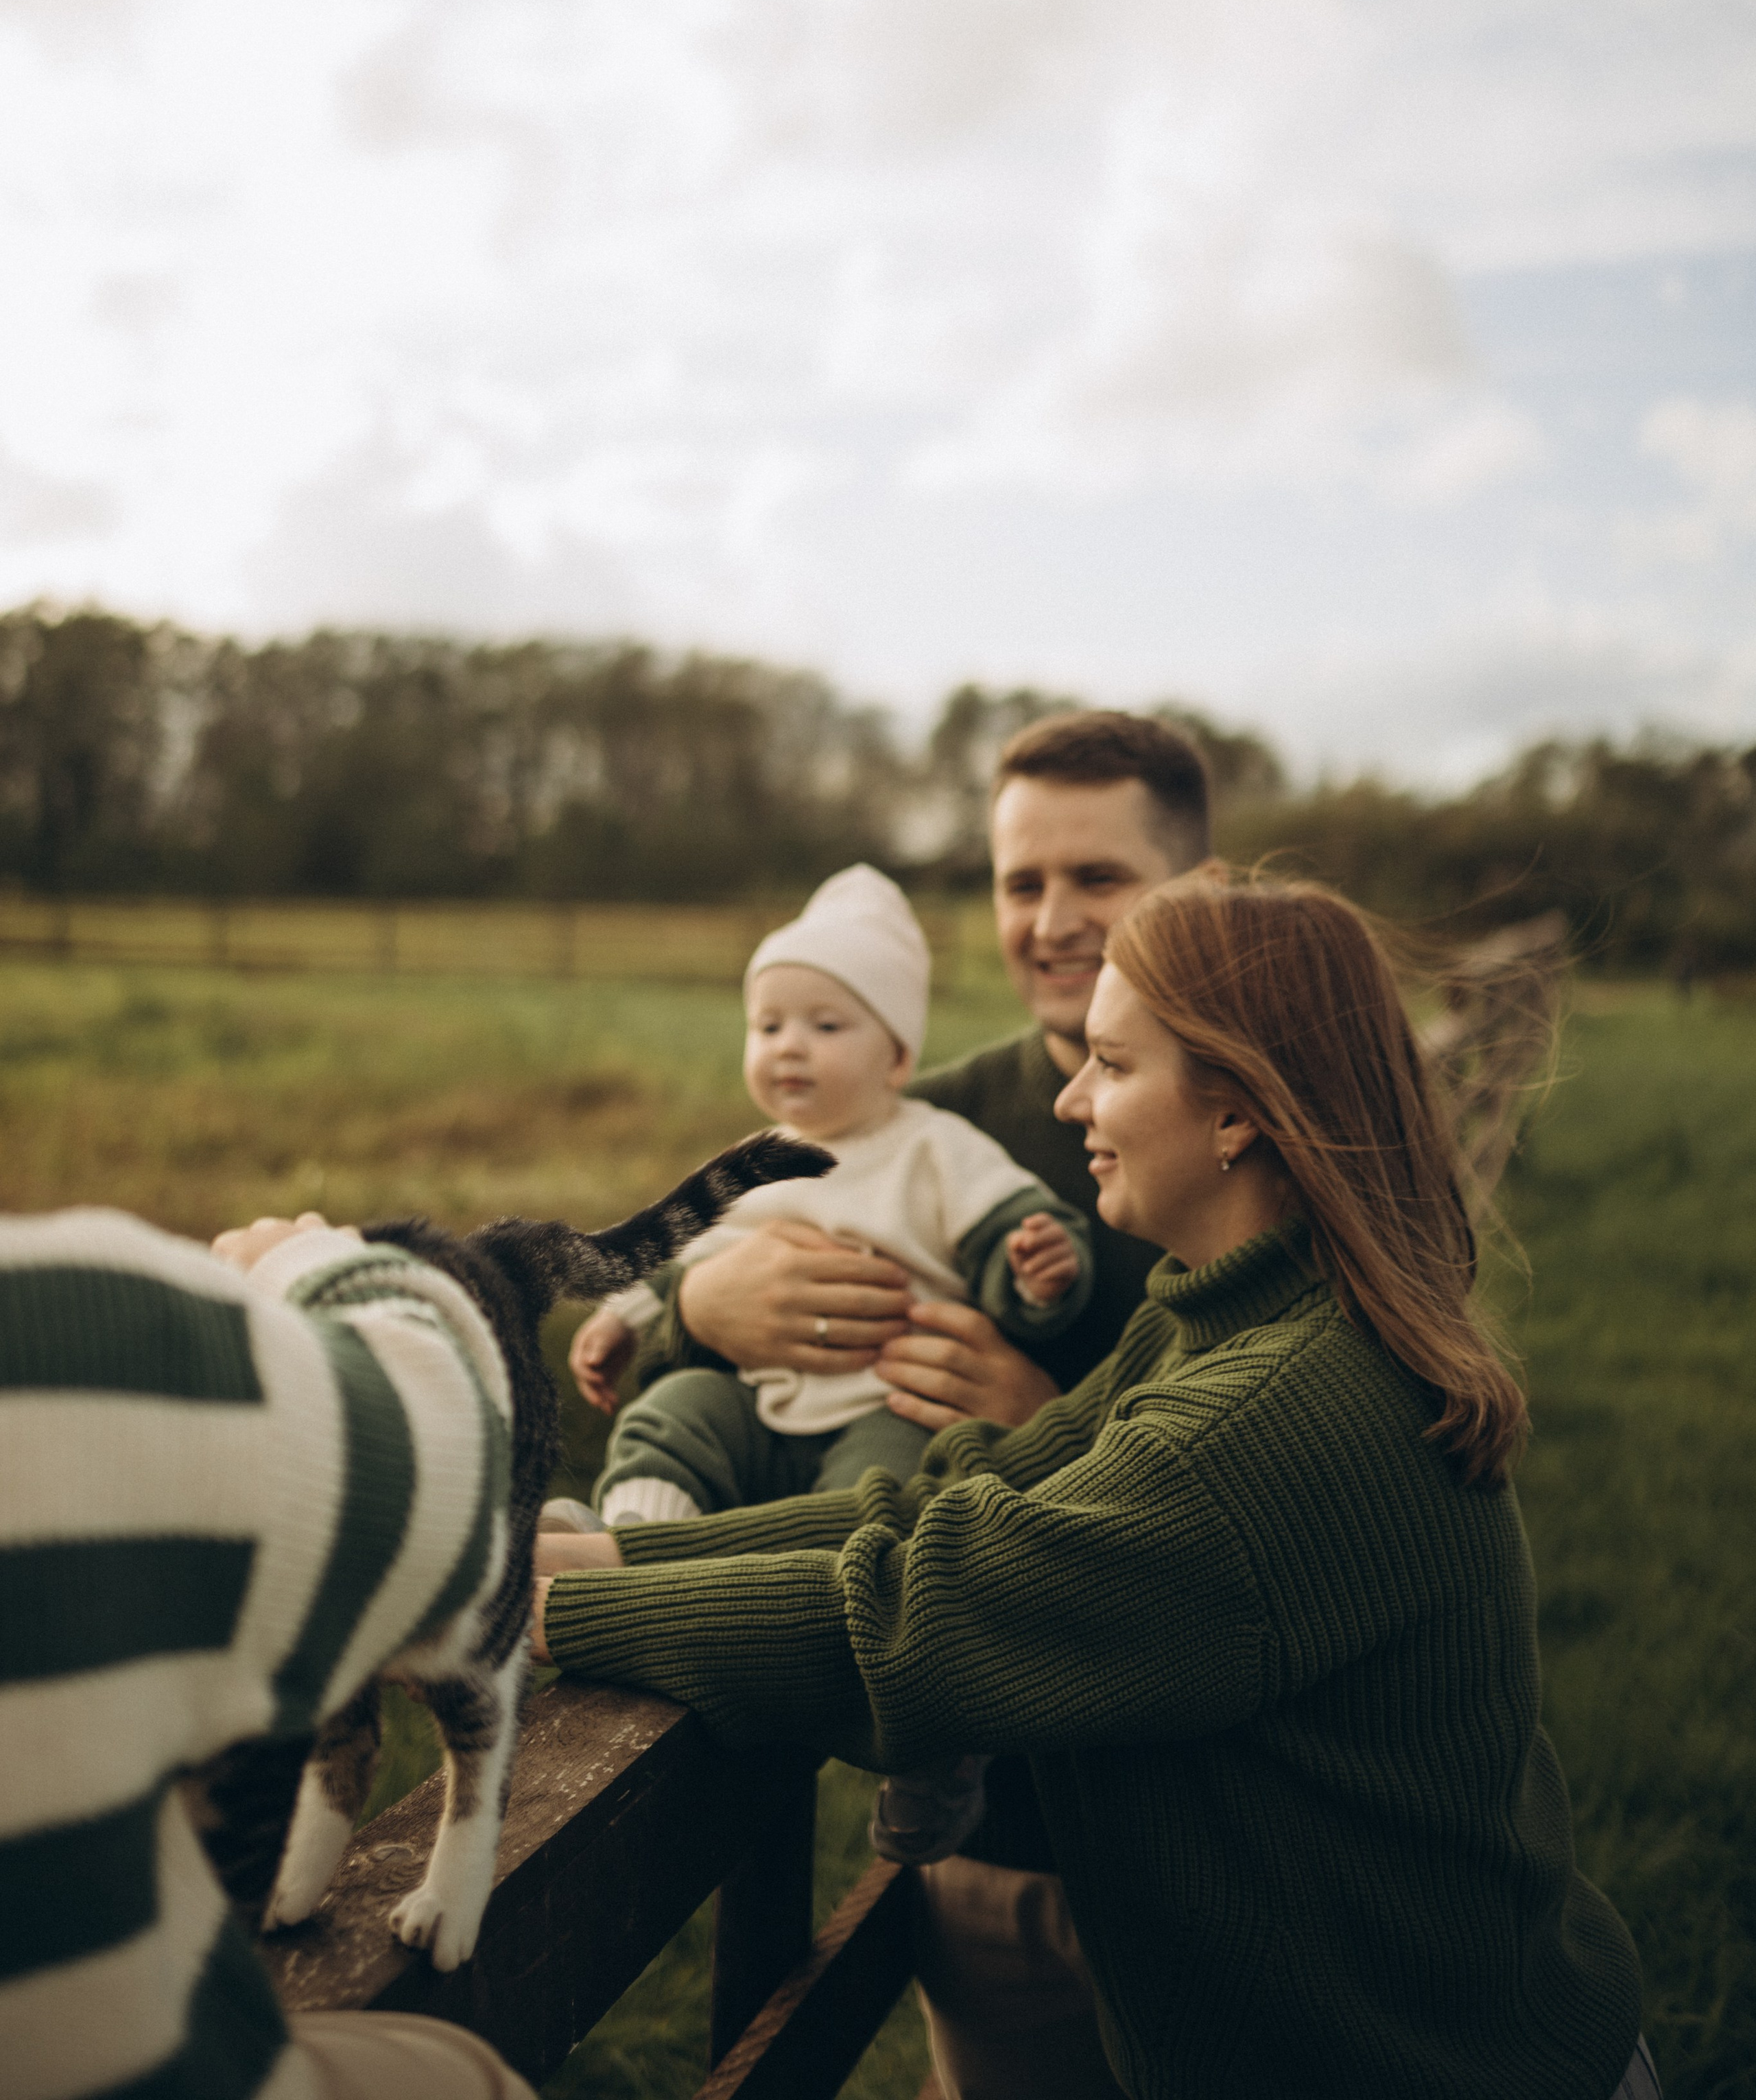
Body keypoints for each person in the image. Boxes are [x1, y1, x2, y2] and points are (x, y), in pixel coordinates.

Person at [531, 872, 1659, 2100]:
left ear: (1236, 1113)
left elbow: (924, 1622)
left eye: (1114, 1067)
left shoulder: (1264, 1421)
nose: (1069, 1098)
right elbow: (952, 1498)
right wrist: (612, 1559)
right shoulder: (1230, 1319)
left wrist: (553, 1617)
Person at [567, 708, 1210, 2093]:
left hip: (1198, 1813)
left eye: (1096, 878)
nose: (1049, 920)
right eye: (1018, 882)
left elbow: (1249, 1450)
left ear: (1188, 888)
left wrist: (1041, 1414)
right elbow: (693, 1262)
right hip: (989, 1820)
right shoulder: (927, 1104)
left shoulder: (1227, 1136)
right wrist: (695, 1308)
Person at [0, 1203, 537, 2100]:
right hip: (162, 2070)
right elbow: (455, 1457)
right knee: (460, 2075)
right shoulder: (65, 1329)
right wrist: (309, 1263)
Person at [570, 863, 1091, 1531]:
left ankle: (813, 1594)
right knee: (673, 1411)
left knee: (879, 1489)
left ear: (897, 1059)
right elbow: (678, 1248)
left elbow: (1006, 1224)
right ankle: (637, 1536)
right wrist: (619, 1317)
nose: (789, 1047)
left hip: (890, 1400)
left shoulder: (933, 1147)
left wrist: (1035, 1274)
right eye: (768, 1027)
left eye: (824, 1027)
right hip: (759, 1396)